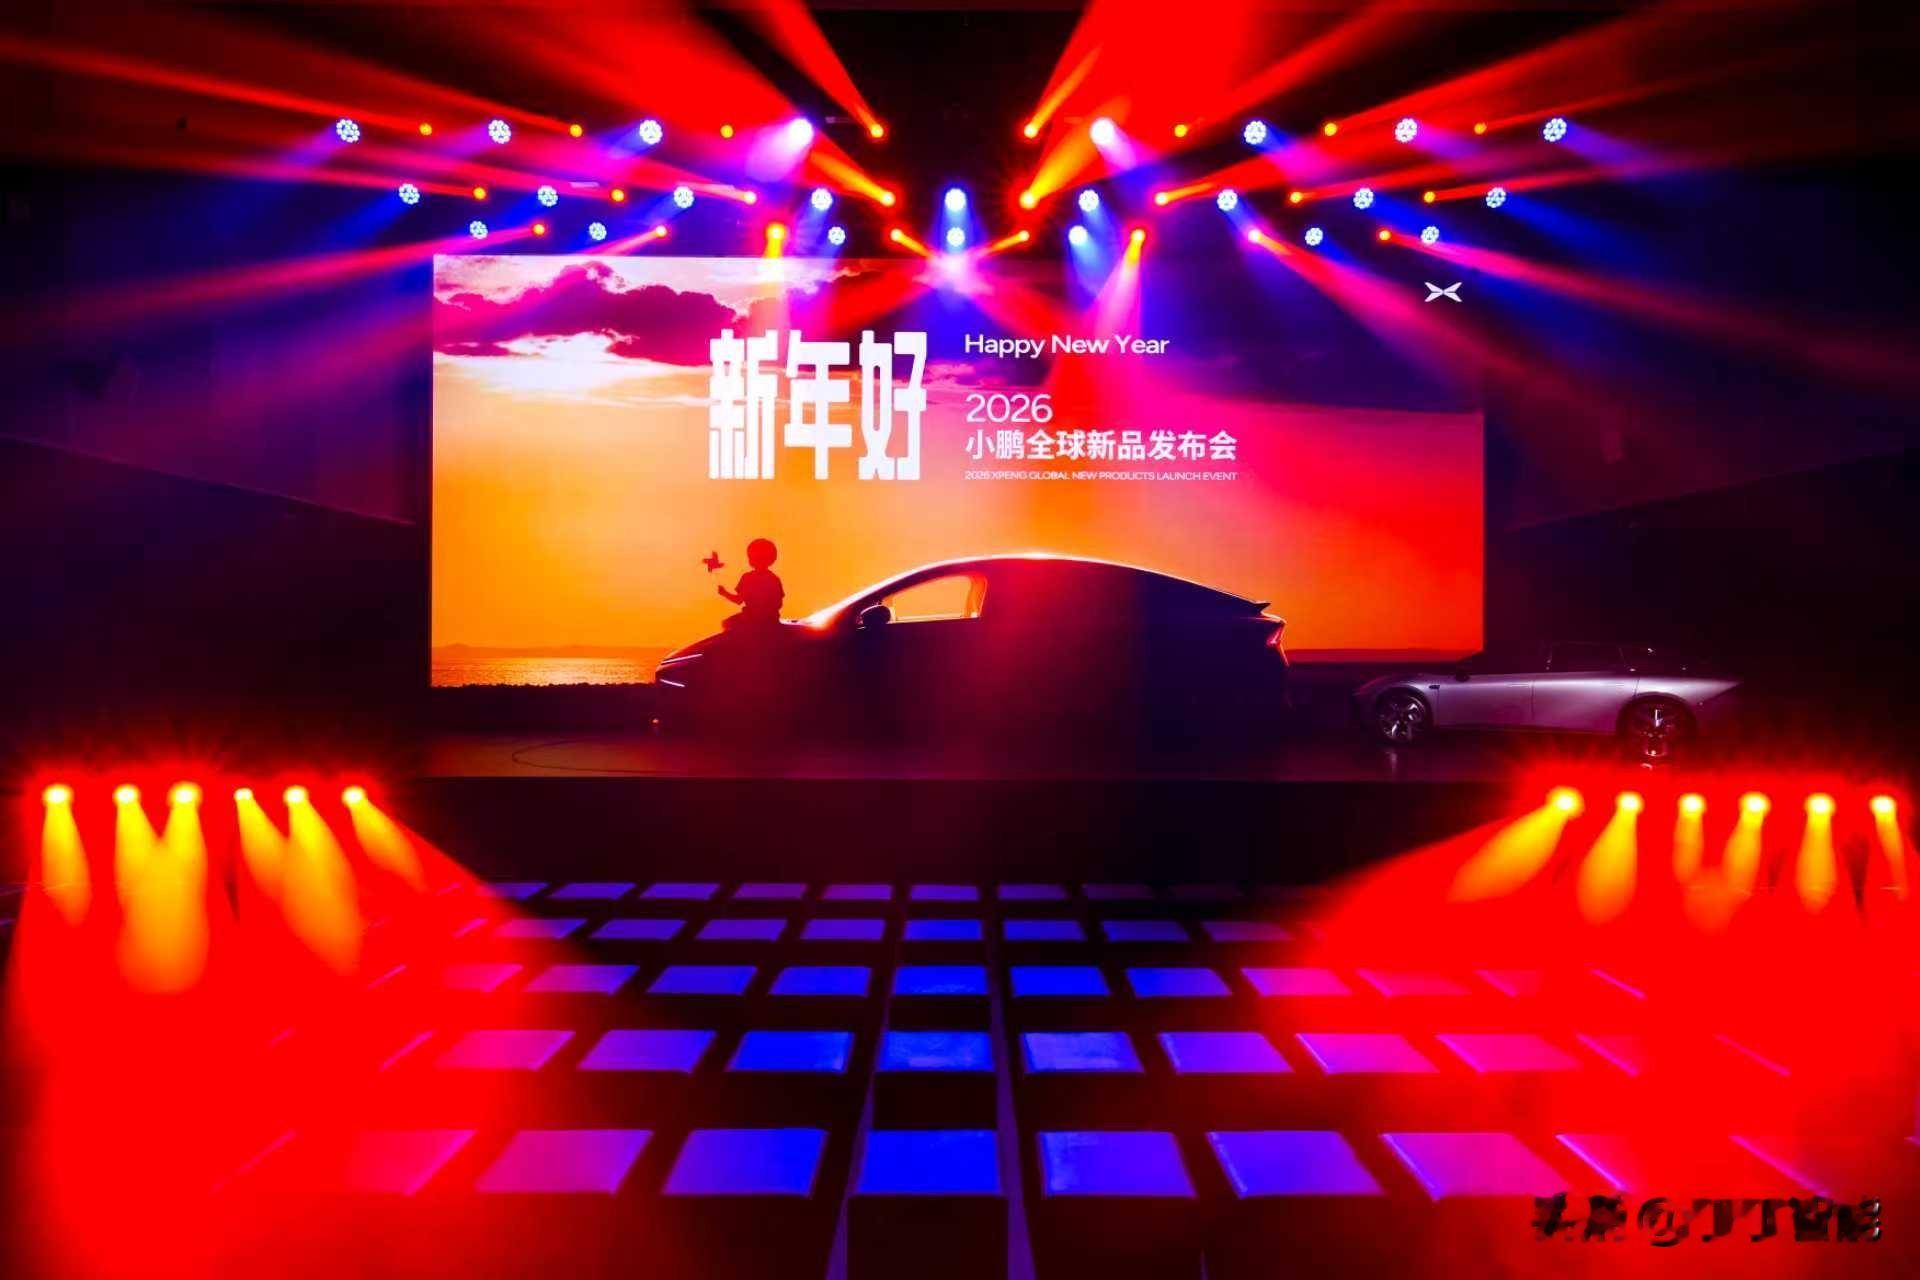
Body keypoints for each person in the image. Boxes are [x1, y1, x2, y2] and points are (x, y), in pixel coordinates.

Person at [717, 537, 784, 629]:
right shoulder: (774, 579)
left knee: (727, 623)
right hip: (771, 620)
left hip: (750, 619)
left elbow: (738, 600)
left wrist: (724, 593)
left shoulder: (748, 578)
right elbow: (779, 604)